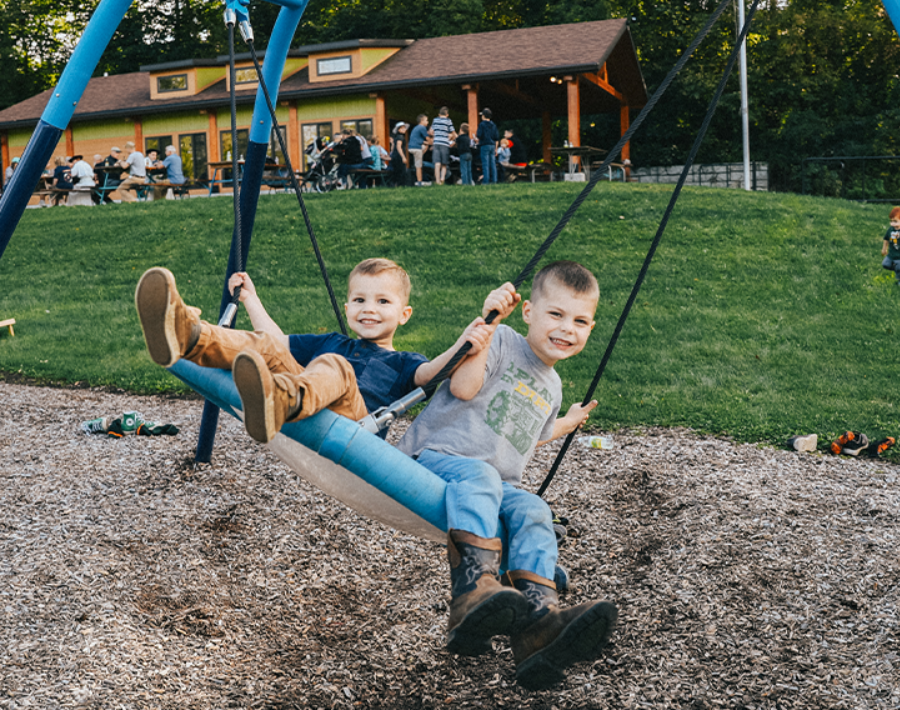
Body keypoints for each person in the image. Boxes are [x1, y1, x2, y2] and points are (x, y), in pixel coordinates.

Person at [396, 261, 617, 690]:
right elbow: (462, 388)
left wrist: (567, 423)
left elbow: (529, 434)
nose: (567, 328)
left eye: (580, 321)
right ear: (529, 312)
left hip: (496, 484)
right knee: (483, 476)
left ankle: (539, 626)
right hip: (438, 457)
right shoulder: (503, 342)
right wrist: (486, 330)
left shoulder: (552, 386)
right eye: (556, 314)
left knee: (535, 507)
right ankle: (472, 591)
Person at [134, 258, 488, 444]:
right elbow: (274, 341)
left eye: (383, 301)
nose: (369, 308)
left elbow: (433, 375)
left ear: (404, 314)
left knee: (335, 367)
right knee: (272, 348)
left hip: (356, 423)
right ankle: (186, 335)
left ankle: (278, 401)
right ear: (347, 308)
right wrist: (251, 299)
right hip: (304, 393)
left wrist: (464, 342)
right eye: (360, 300)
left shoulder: (404, 363)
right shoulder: (333, 341)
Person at [430, 107, 456, 185]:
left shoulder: (435, 120)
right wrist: (451, 137)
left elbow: (431, 131)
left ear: (439, 114)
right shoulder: (448, 121)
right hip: (444, 143)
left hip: (436, 143)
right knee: (444, 163)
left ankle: (437, 181)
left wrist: (437, 134)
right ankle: (442, 178)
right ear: (447, 114)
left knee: (437, 163)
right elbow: (453, 133)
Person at [476, 108, 499, 185]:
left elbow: (479, 135)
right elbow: (496, 137)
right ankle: (494, 180)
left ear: (484, 116)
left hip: (484, 145)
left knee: (485, 164)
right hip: (492, 145)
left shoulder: (482, 124)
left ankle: (486, 181)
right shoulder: (494, 125)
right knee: (492, 163)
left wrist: (476, 139)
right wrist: (496, 149)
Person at [408, 114, 430, 186]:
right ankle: (419, 182)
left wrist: (427, 143)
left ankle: (418, 180)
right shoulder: (422, 127)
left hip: (411, 147)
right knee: (418, 166)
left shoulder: (416, 128)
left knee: (425, 147)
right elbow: (428, 139)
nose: (428, 122)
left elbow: (420, 140)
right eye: (426, 120)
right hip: (417, 148)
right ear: (422, 121)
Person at [390, 121, 409, 188]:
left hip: (395, 156)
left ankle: (395, 184)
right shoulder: (400, 137)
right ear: (398, 129)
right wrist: (403, 157)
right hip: (398, 157)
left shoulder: (396, 137)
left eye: (404, 128)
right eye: (402, 128)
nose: (404, 129)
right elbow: (399, 147)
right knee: (401, 171)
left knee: (397, 171)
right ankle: (400, 185)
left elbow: (393, 147)